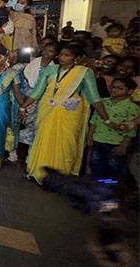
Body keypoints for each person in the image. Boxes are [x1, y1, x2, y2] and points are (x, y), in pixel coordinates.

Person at [20, 43, 112, 183]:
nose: (62, 58)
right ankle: (40, 173)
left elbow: (94, 98)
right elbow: (37, 91)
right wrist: (23, 107)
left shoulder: (84, 72)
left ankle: (61, 176)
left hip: (70, 112)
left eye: (67, 55)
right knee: (44, 139)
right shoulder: (51, 69)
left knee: (67, 142)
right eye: (61, 55)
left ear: (77, 58)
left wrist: (107, 119)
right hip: (47, 109)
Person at [86, 77, 138, 181]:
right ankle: (95, 188)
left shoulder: (132, 107)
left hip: (116, 144)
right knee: (95, 165)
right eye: (113, 87)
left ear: (130, 91)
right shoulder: (103, 102)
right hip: (98, 139)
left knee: (114, 169)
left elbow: (132, 129)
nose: (114, 90)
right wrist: (89, 135)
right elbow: (94, 119)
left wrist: (124, 144)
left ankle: (109, 189)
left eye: (120, 88)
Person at [17, 42, 60, 152]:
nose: (46, 53)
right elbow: (14, 70)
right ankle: (15, 152)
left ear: (56, 54)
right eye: (45, 50)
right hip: (24, 98)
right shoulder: (32, 62)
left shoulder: (55, 69)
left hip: (42, 100)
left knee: (36, 126)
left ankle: (31, 156)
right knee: (20, 123)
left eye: (51, 51)